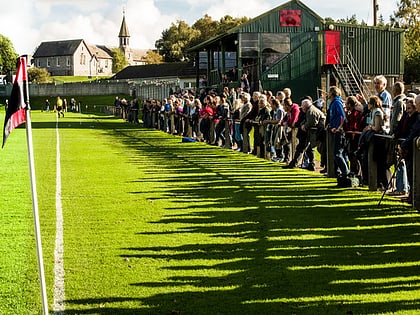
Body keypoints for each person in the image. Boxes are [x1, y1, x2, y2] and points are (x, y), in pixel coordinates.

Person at [284, 98, 325, 171]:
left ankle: (295, 163)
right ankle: (311, 164)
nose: (301, 108)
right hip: (312, 132)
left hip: (317, 133)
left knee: (302, 148)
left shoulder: (311, 111)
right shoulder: (309, 110)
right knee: (308, 149)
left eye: (302, 106)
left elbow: (312, 122)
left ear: (305, 106)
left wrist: (304, 126)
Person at [400, 94, 420, 205]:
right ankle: (412, 197)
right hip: (410, 148)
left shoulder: (417, 117)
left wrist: (404, 144)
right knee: (410, 173)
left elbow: (414, 132)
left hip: (414, 150)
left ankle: (414, 198)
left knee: (414, 174)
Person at [328, 86, 349, 177]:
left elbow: (341, 116)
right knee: (339, 153)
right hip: (334, 130)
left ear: (332, 93)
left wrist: (338, 127)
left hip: (338, 132)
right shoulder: (333, 103)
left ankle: (345, 172)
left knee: (337, 153)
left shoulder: (337, 102)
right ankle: (342, 172)